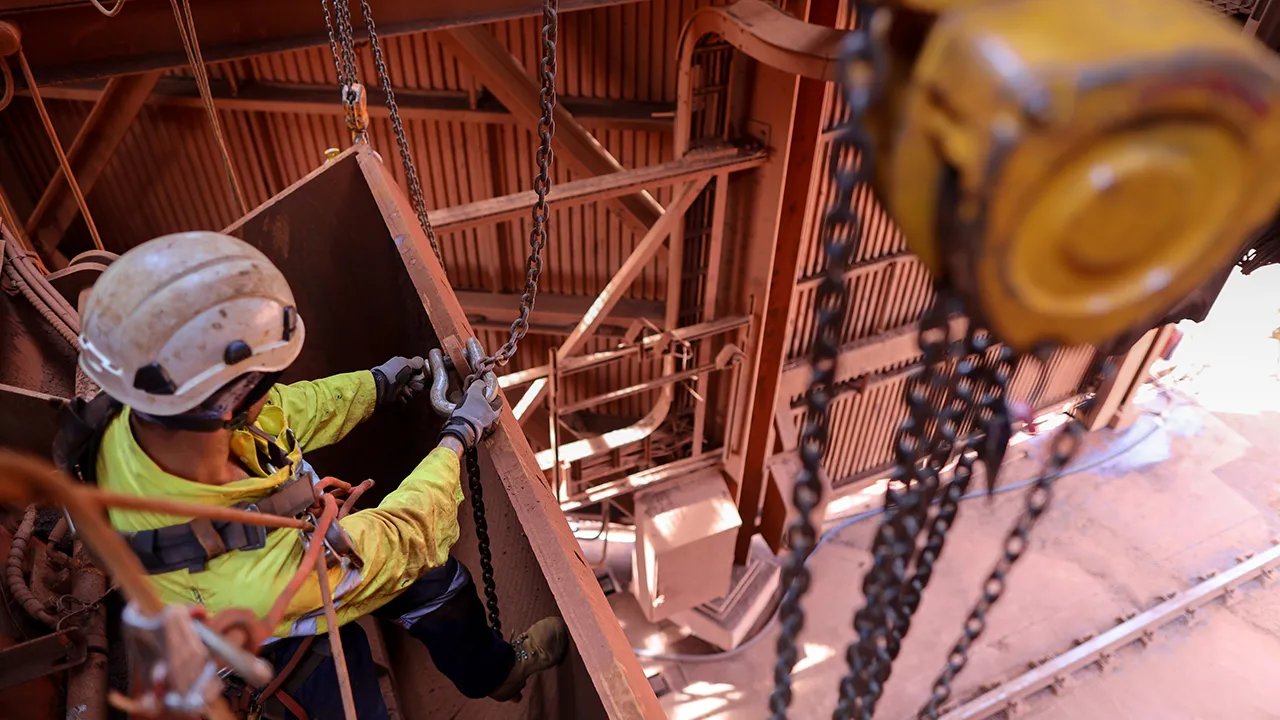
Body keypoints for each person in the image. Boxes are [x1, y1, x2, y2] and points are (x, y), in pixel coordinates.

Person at [61, 232, 568, 718]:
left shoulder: (149, 415)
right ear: (227, 399)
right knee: (347, 676)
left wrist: (375, 386)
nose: (270, 391)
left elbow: (279, 411)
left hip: (265, 564)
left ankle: (495, 674)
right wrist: (457, 438)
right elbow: (401, 539)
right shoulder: (255, 570)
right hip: (259, 629)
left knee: (437, 587)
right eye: (264, 378)